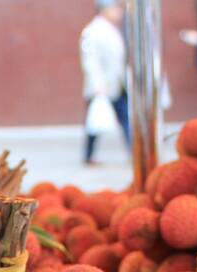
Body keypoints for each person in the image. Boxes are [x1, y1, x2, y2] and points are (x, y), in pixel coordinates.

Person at [80, 1, 129, 166]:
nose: (119, 12)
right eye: (116, 8)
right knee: (95, 124)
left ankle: (134, 152)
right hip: (102, 87)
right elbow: (90, 61)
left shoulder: (112, 30)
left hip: (117, 84)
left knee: (126, 119)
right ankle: (88, 155)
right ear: (105, 10)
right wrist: (97, 86)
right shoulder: (93, 31)